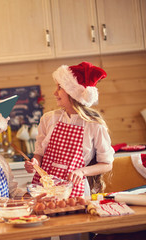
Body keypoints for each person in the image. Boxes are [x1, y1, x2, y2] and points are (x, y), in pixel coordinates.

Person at [24, 62, 114, 198]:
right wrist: (35, 163)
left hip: (75, 191)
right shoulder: (48, 119)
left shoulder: (94, 125)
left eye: (60, 88)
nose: (55, 92)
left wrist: (82, 172)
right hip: (45, 190)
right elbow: (39, 154)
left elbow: (107, 164)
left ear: (73, 93)